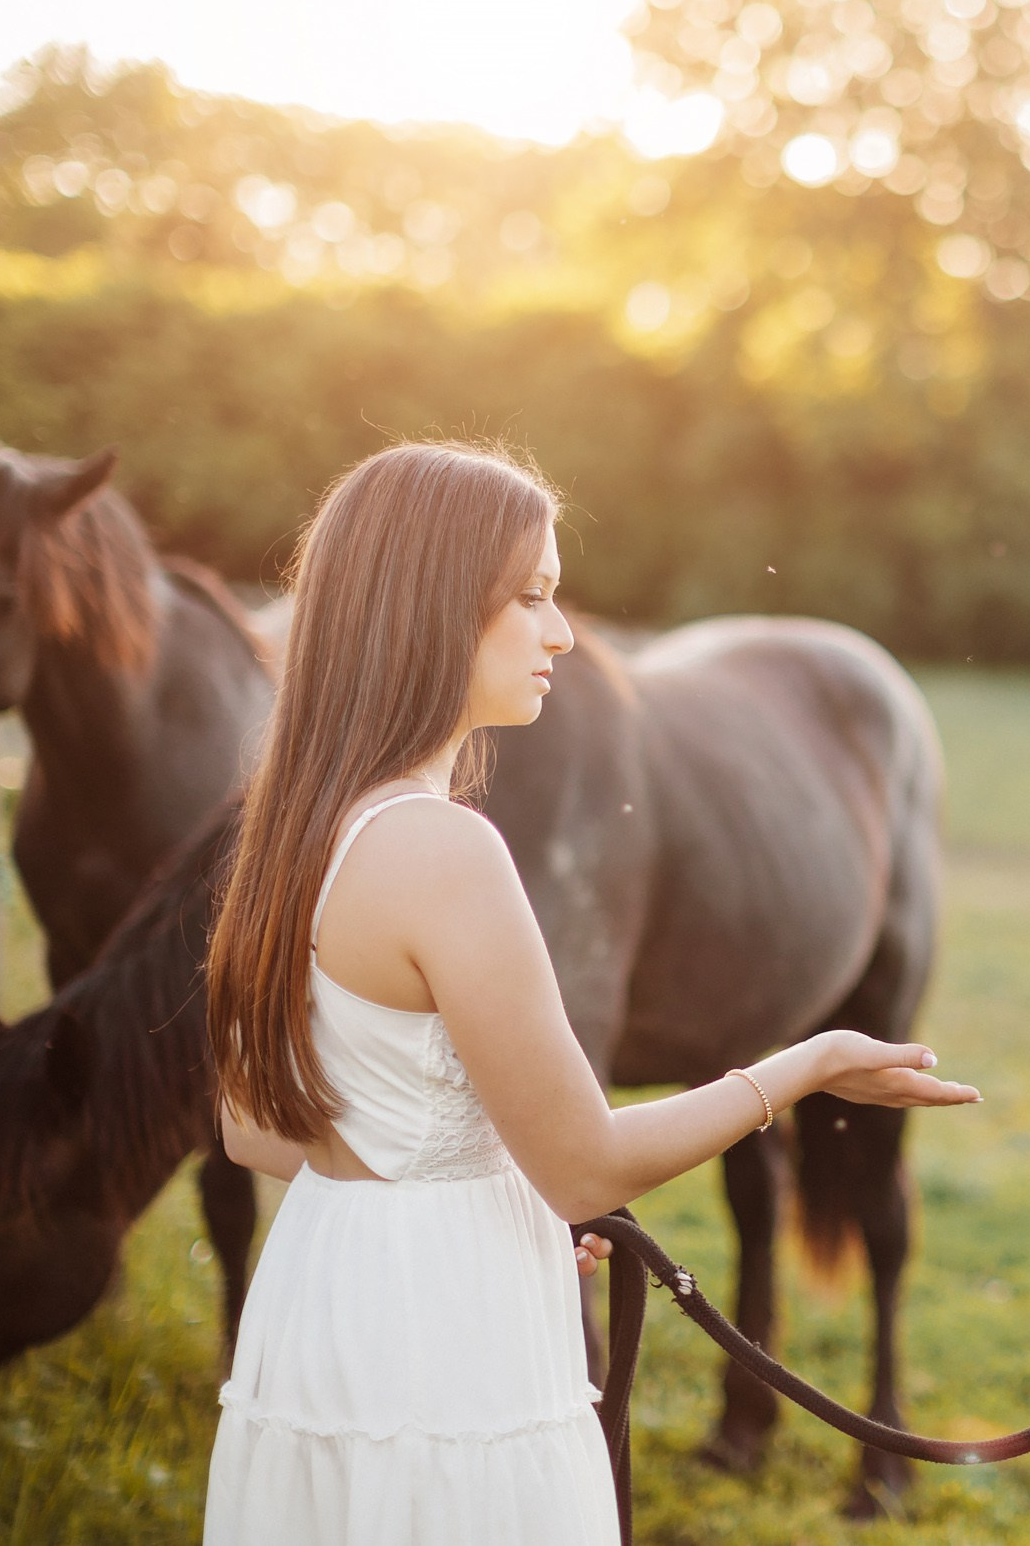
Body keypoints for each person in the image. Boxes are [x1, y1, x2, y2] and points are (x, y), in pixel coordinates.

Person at [202, 442, 979, 1543]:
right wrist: (803, 1066)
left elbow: (253, 1129)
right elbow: (585, 1167)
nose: (563, 633)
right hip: (443, 1336)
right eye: (531, 599)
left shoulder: (290, 831)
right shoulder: (447, 852)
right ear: (430, 611)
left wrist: (480, 1202)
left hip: (323, 1300)